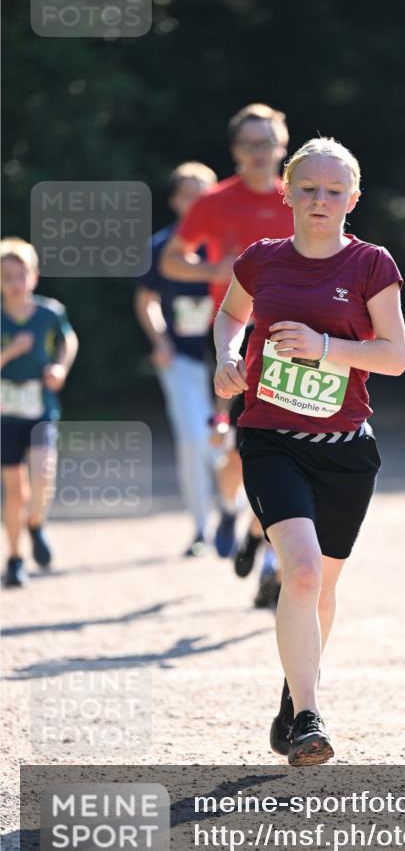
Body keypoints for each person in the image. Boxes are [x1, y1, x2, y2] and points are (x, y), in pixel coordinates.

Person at [213, 137, 405, 765]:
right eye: (308, 189)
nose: (319, 201)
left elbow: (395, 357)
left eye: (333, 192)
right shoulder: (262, 260)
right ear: (287, 192)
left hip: (347, 451)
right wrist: (225, 357)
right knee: (296, 572)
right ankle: (310, 718)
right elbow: (229, 316)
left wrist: (325, 347)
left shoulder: (371, 265)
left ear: (353, 199)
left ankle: (292, 700)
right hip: (272, 441)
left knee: (320, 591)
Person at [160, 104, 293, 594]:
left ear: (283, 146)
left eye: (269, 143)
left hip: (295, 341)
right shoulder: (215, 202)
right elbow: (172, 262)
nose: (260, 153)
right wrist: (217, 273)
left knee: (288, 451)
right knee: (241, 455)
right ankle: (231, 509)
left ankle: (271, 568)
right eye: (250, 144)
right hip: (237, 340)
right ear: (236, 151)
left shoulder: (302, 197)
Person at [135, 161, 227, 557]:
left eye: (204, 193)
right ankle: (201, 528)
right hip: (181, 359)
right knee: (193, 440)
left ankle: (232, 509)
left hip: (229, 355)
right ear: (175, 200)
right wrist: (160, 341)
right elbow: (145, 301)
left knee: (224, 438)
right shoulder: (161, 247)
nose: (196, 201)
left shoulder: (230, 242)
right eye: (188, 194)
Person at [1, 238, 79, 586]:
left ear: (34, 277)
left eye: (21, 275)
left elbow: (68, 340)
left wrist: (59, 368)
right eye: (6, 277)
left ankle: (36, 522)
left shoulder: (50, 312)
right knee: (15, 490)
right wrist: (11, 352)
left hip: (41, 408)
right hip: (6, 414)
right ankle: (15, 558)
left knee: (43, 476)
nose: (15, 283)